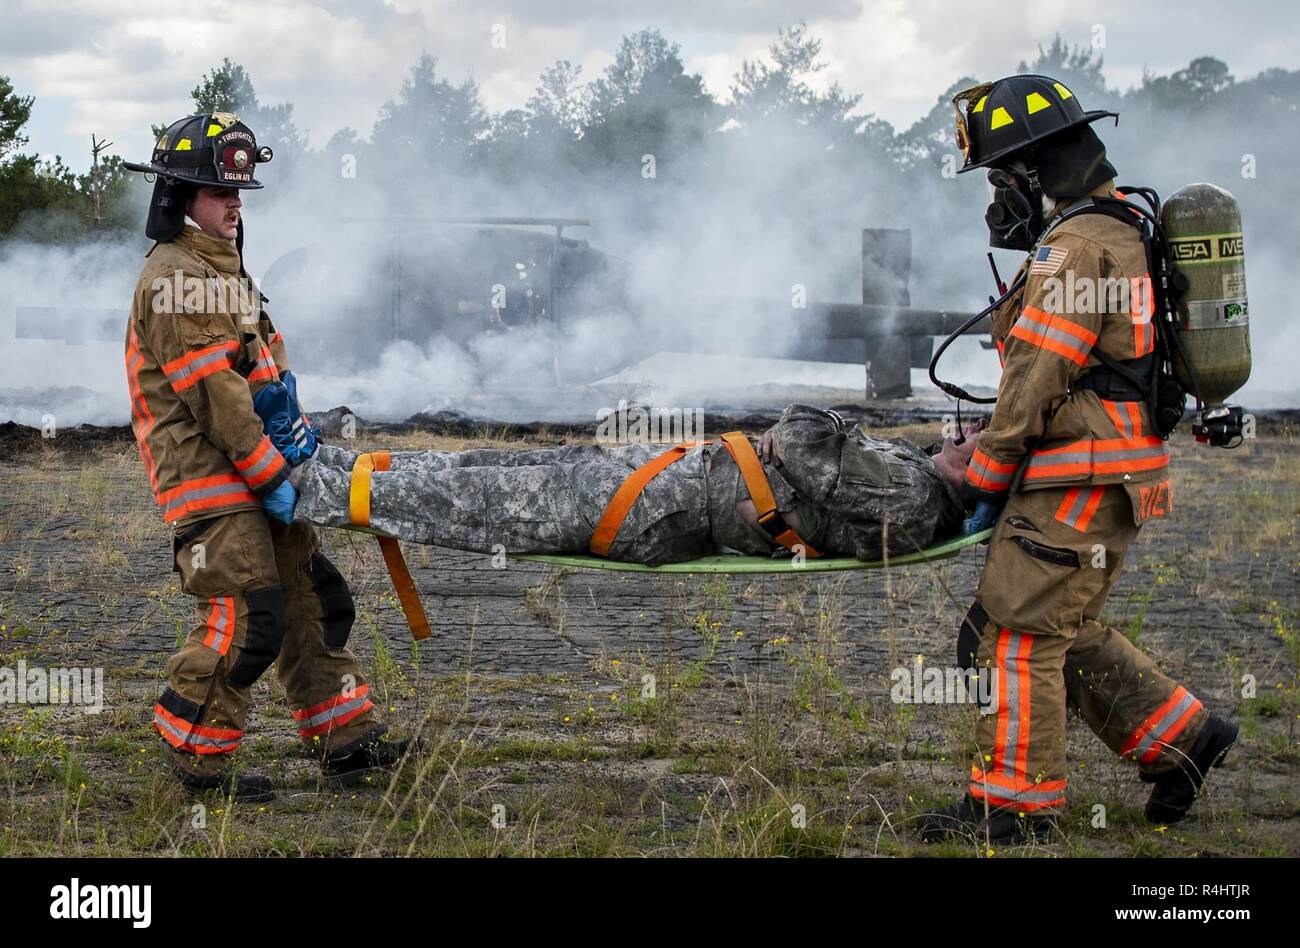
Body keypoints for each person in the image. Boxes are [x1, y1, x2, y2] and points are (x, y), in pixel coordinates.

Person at [918, 76, 1237, 843]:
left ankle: (1015, 807)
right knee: (1064, 620)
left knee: (1021, 632)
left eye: (1001, 180)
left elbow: (1037, 376)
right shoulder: (1117, 229)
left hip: (1079, 470)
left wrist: (984, 472)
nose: (997, 201)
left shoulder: (1076, 247)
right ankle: (1182, 741)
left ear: (1033, 170)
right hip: (1111, 470)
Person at [123, 113, 409, 802]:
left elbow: (261, 374)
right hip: (211, 482)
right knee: (248, 621)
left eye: (240, 192)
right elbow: (214, 396)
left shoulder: (225, 272)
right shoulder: (175, 279)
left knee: (314, 599)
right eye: (220, 192)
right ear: (178, 197)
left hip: (258, 473)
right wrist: (272, 472)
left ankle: (346, 741)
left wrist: (298, 442)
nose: (236, 204)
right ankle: (196, 760)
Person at [286, 405, 973, 565]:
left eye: (978, 440)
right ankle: (334, 467)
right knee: (484, 468)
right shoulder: (915, 474)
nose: (966, 433)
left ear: (983, 473)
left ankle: (303, 488)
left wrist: (806, 427)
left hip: (667, 506)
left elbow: (798, 441)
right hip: (675, 477)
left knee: (483, 504)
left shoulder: (914, 496)